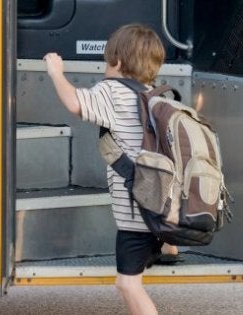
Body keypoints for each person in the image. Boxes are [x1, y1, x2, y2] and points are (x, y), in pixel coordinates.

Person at [44, 24, 179, 315]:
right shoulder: (156, 95)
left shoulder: (112, 91)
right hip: (162, 206)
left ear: (117, 62)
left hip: (136, 214)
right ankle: (169, 246)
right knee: (148, 245)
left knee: (127, 285)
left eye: (107, 60)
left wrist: (56, 72)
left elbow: (74, 103)